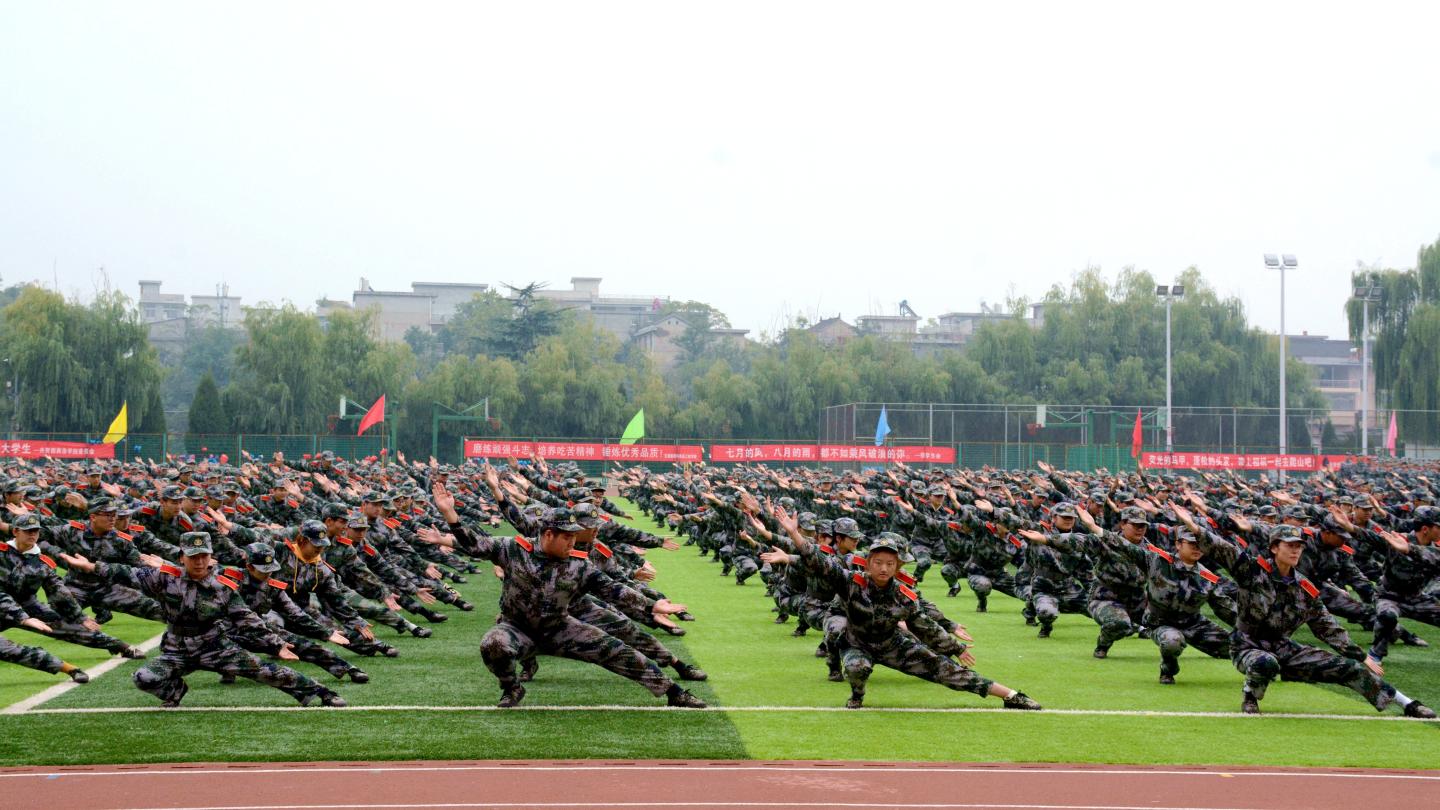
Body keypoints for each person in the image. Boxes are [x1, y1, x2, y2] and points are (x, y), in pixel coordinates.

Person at [422, 484, 705, 709]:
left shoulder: (579, 564)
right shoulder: (512, 548)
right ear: (548, 534)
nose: (573, 542)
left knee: (619, 650)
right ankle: (511, 687)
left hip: (560, 628)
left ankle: (674, 692)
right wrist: (450, 516)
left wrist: (652, 605)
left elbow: (613, 590)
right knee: (493, 643)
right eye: (566, 537)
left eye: (574, 536)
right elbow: (474, 545)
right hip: (517, 629)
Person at [772, 505, 1041, 711]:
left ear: (898, 567)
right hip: (857, 643)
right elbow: (818, 561)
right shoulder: (850, 581)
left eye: (890, 564)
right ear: (868, 563)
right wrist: (794, 534)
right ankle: (857, 694)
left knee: (946, 670)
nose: (883, 568)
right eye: (878, 562)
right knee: (856, 668)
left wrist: (955, 648)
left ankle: (1011, 695)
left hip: (892, 644)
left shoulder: (904, 595)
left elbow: (925, 626)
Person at [60, 532, 347, 708]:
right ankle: (176, 691)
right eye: (193, 556)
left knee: (267, 671)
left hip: (215, 645)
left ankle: (321, 693)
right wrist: (91, 566)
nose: (199, 562)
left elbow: (247, 618)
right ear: (182, 557)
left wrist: (276, 644)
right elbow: (125, 573)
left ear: (211, 557)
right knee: (144, 678)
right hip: (177, 648)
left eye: (204, 556)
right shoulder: (164, 578)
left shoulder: (223, 587)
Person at [1193, 521, 1434, 718]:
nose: (1296, 551)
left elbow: (1327, 627)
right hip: (1247, 645)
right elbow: (1223, 549)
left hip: (1284, 647)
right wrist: (1195, 528)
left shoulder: (1305, 588)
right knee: (1265, 662)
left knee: (1350, 668)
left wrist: (1361, 656)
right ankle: (1250, 696)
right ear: (1274, 548)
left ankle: (1407, 704)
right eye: (1289, 546)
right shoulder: (1252, 571)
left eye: (1299, 546)